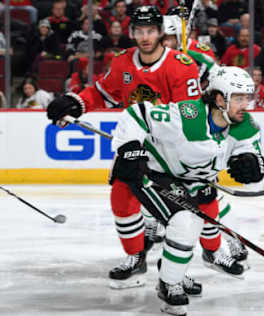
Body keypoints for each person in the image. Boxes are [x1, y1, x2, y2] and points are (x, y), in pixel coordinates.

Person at [46, 5, 201, 289]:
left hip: (171, 151)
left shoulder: (182, 66)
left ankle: (177, 271)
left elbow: (191, 117)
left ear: (160, 32)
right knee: (121, 198)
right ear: (132, 32)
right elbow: (102, 92)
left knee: (176, 213)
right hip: (134, 145)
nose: (145, 37)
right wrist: (76, 103)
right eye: (140, 31)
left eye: (150, 31)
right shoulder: (122, 62)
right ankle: (135, 257)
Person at [110, 66, 264, 315]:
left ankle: (175, 274)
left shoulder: (245, 125)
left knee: (197, 223)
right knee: (185, 222)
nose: (245, 104)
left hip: (192, 180)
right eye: (238, 98)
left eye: (247, 97)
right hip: (154, 173)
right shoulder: (188, 115)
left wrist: (255, 166)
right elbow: (137, 112)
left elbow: (255, 155)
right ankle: (169, 283)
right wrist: (129, 146)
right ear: (218, 98)